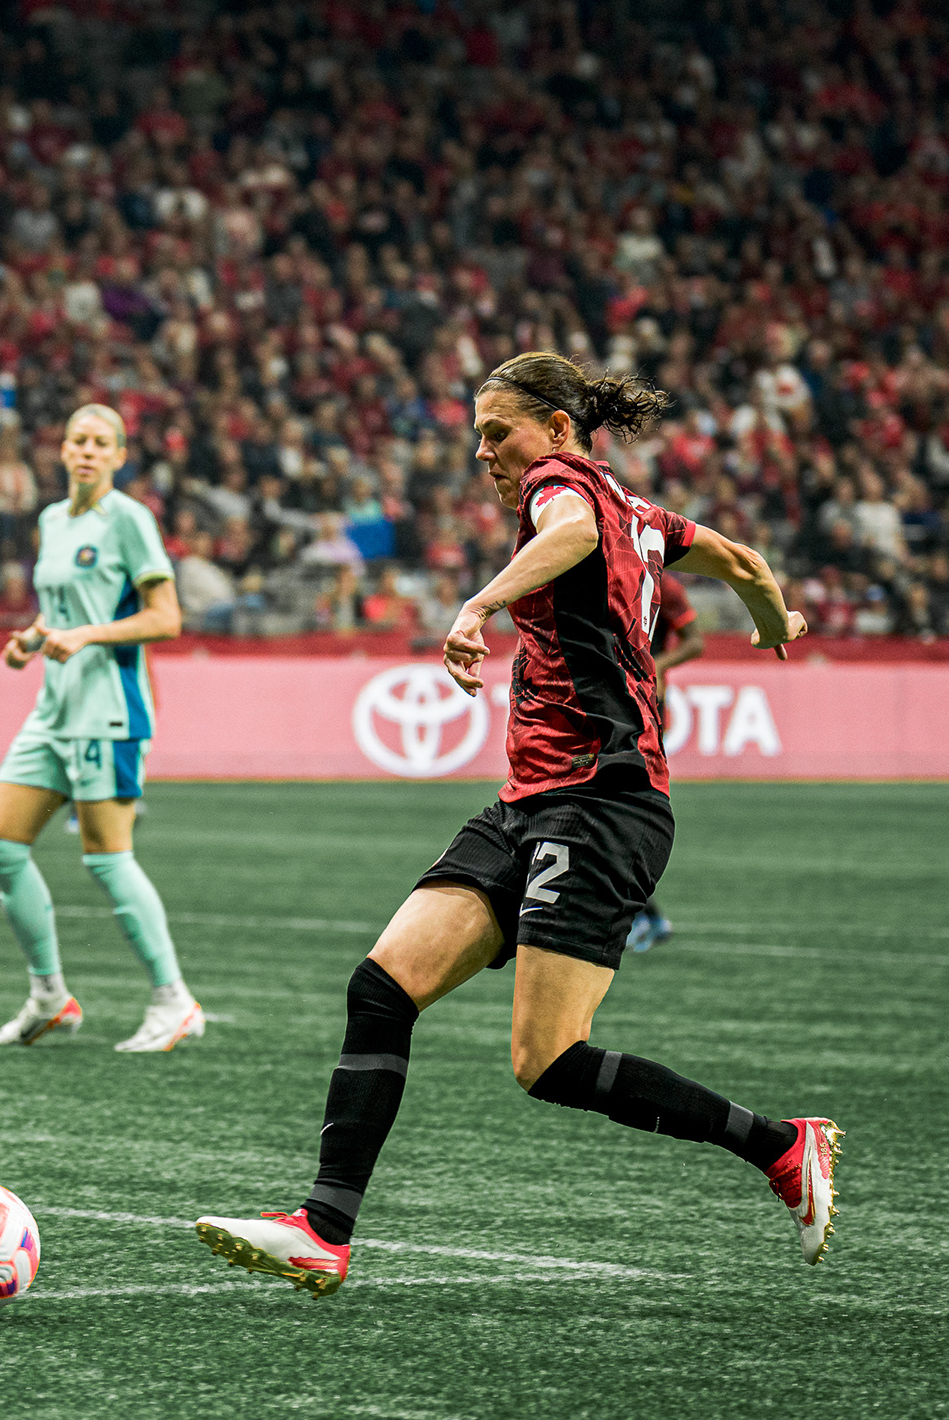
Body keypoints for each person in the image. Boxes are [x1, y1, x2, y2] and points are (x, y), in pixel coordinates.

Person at [195, 353, 836, 1296]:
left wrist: (480, 603)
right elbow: (743, 561)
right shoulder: (647, 517)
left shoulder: (563, 486)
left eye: (500, 432)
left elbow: (569, 527)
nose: (486, 453)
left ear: (561, 430)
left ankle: (783, 1146)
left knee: (548, 1061)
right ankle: (323, 1229)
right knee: (381, 988)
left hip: (605, 802)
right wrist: (774, 619)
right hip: (533, 799)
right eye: (477, 437)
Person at [0, 404, 204, 1053]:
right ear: (62, 448)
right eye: (76, 438)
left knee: (108, 859)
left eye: (99, 442)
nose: (85, 450)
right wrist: (35, 637)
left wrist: (86, 636)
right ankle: (49, 997)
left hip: (108, 709)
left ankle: (174, 1001)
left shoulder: (129, 519)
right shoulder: (53, 519)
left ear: (117, 455)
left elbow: (166, 618)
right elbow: (63, 611)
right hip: (52, 711)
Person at [628, 567, 707, 952]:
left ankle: (643, 916)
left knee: (622, 813)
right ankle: (646, 914)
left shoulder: (665, 585)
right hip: (607, 699)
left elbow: (695, 641)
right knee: (617, 815)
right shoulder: (606, 568)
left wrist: (659, 665)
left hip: (645, 705)